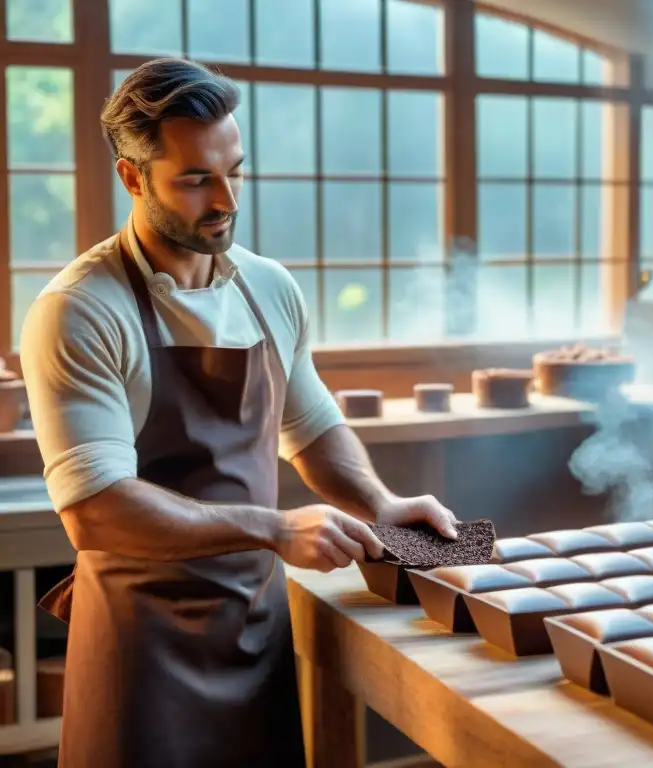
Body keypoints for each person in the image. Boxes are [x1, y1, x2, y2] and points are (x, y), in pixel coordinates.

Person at [19, 57, 459, 768]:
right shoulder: (80, 311)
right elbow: (94, 510)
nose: (225, 198)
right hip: (141, 652)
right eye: (195, 179)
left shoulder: (268, 287)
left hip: (255, 629)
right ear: (133, 177)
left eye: (236, 171)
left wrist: (380, 503)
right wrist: (277, 528)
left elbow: (310, 425)